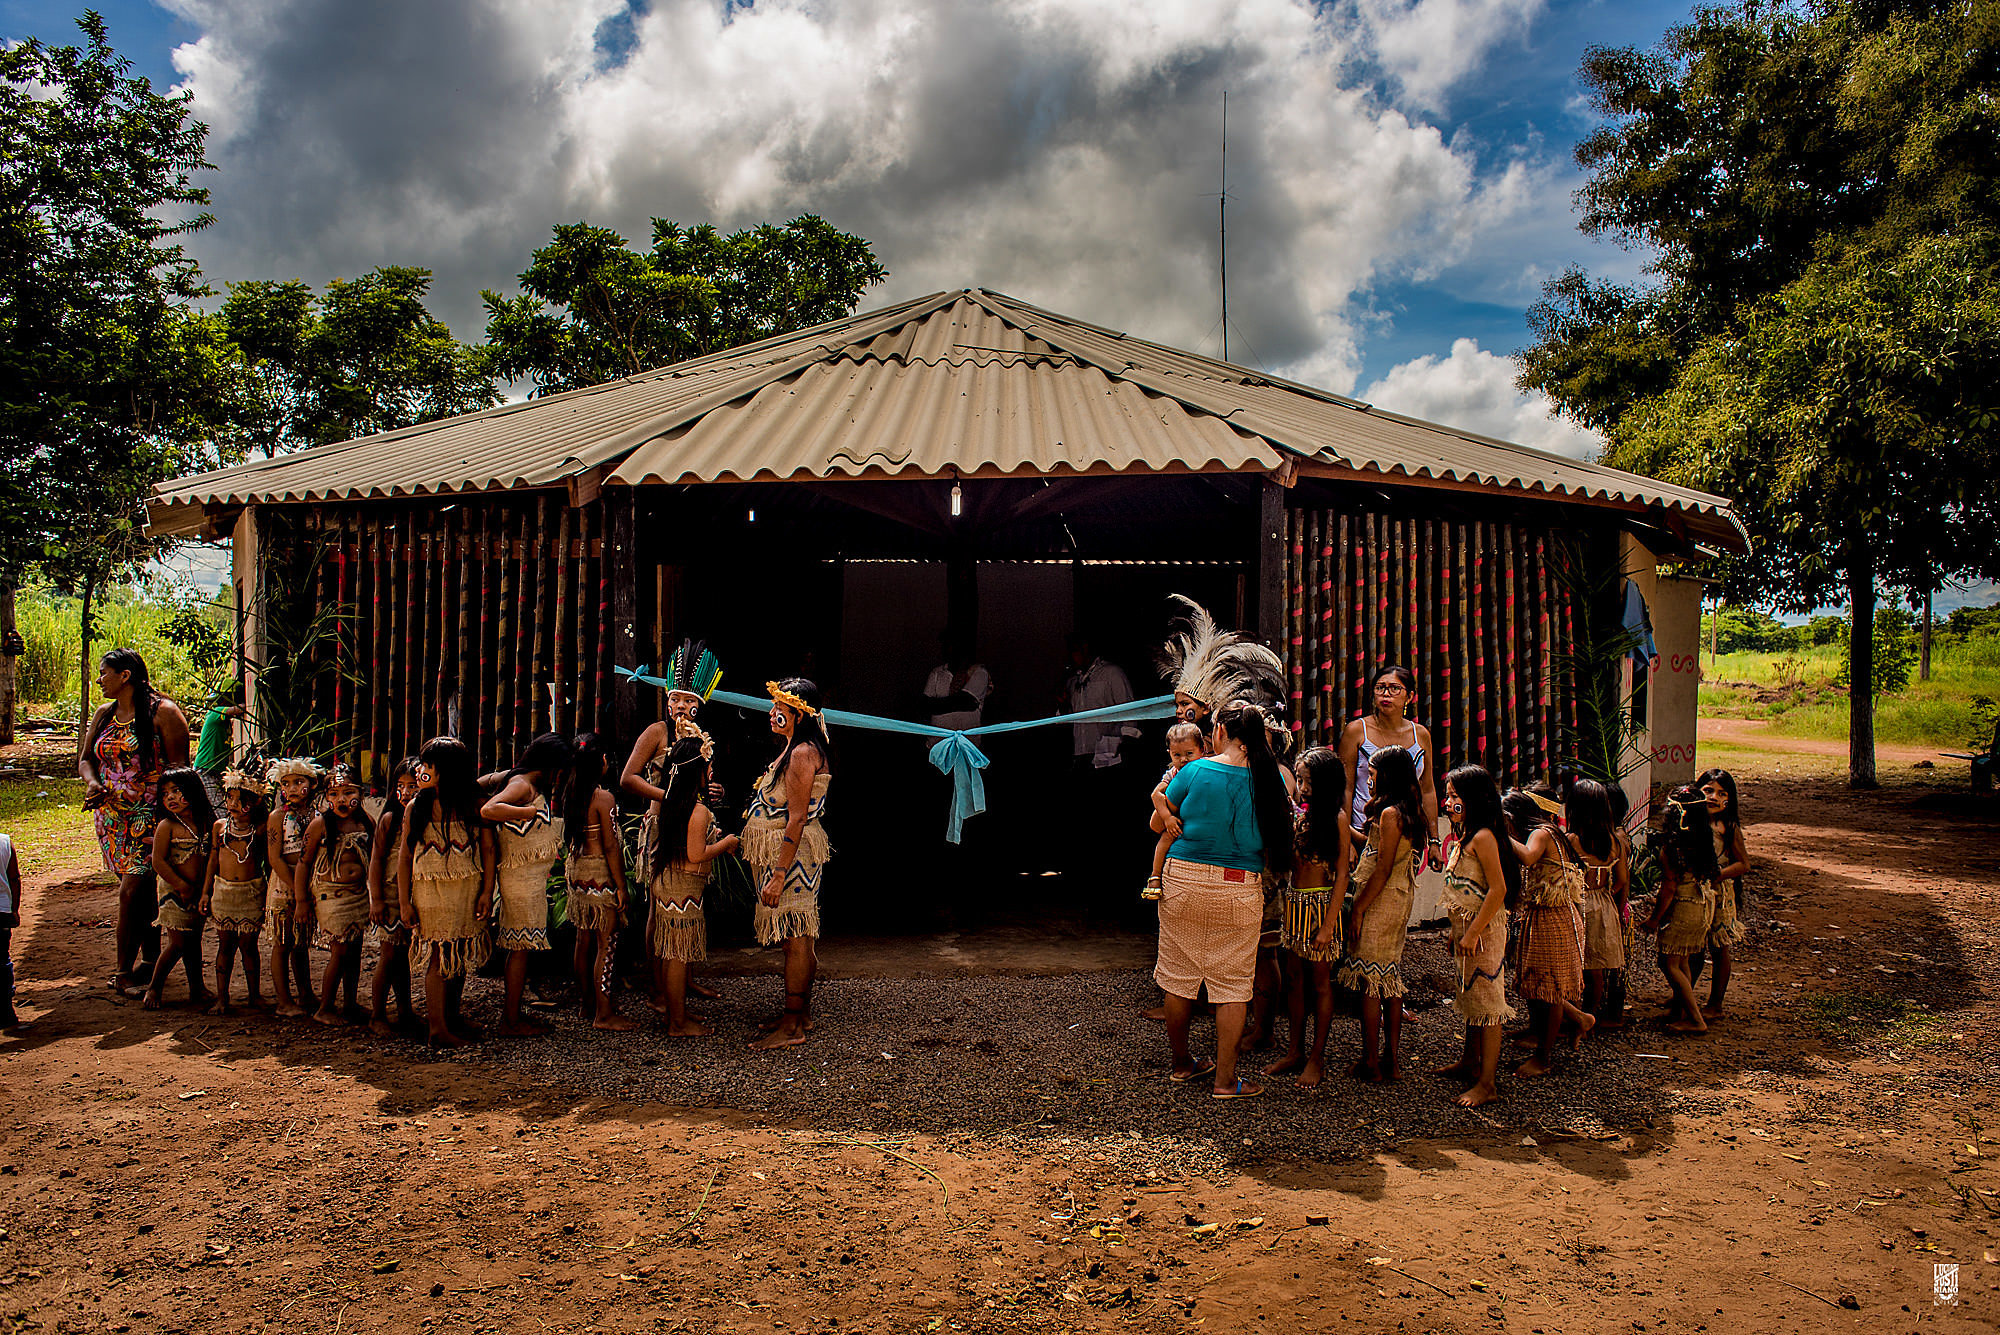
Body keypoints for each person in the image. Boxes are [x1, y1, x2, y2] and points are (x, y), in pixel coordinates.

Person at [1152, 699, 1293, 1100]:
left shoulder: (1193, 770)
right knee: (1232, 986)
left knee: (1179, 978)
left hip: (1182, 880)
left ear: (1219, 732)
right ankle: (1226, 1081)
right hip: (1239, 885)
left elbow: (1159, 821)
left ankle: (1182, 1065)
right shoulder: (1271, 779)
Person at [80, 647, 190, 996]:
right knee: (140, 895)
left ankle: (123, 970)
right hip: (111, 820)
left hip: (151, 820)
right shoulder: (104, 714)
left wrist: (171, 817)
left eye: (104, 673)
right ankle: (150, 961)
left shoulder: (164, 713)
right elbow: (85, 760)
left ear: (124, 675)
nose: (99, 680)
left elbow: (180, 770)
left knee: (130, 893)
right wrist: (94, 784)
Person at [621, 640, 725, 1000]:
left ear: (700, 705)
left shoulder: (700, 738)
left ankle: (683, 978)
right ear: (667, 700)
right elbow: (628, 778)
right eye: (676, 699)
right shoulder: (657, 732)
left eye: (689, 701)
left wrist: (714, 792)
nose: (681, 706)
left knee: (689, 906)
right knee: (658, 907)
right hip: (662, 829)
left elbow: (702, 781)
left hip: (693, 829)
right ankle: (660, 985)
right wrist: (669, 796)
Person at [744, 678, 833, 1051]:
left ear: (797, 714)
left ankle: (793, 1023)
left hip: (792, 859)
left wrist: (779, 874)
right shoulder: (795, 748)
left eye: (779, 708)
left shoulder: (800, 755)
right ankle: (799, 1013)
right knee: (797, 939)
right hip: (789, 855)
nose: (771, 713)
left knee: (796, 938)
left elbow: (796, 818)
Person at [1339, 745, 1427, 1083]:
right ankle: (1389, 1058)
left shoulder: (1391, 814)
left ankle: (1372, 1060)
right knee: (1388, 977)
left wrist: (1359, 908)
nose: (1368, 779)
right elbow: (1375, 848)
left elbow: (1383, 867)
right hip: (1393, 898)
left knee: (1372, 982)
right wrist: (1347, 830)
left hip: (1381, 901)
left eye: (1372, 773)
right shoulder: (1402, 812)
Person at [400, 736, 495, 1047]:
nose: (420, 771)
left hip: (467, 888)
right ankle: (437, 1028)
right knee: (440, 955)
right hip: (431, 892)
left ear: (447, 771)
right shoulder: (416, 807)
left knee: (459, 951)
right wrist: (405, 902)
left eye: (428, 766)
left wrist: (486, 892)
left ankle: (450, 1017)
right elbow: (404, 857)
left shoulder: (474, 804)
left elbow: (488, 850)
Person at [1435, 765, 1519, 1108]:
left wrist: (1472, 933)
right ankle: (1469, 1061)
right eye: (1449, 795)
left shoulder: (1483, 837)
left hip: (1484, 934)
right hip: (1468, 933)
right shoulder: (1467, 835)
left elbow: (1497, 889)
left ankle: (1488, 1083)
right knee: (1471, 999)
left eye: (1455, 797)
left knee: (1488, 1005)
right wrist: (1459, 933)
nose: (1449, 802)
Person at [481, 733, 572, 1039]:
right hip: (519, 882)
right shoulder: (522, 786)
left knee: (520, 949)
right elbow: (489, 810)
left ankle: (514, 1013)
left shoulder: (519, 780)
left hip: (528, 881)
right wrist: (527, 812)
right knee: (519, 949)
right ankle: (510, 1019)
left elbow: (485, 785)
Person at [1269, 745, 1350, 1089]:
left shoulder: (1336, 819)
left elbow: (1343, 874)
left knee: (1320, 984)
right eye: (1299, 780)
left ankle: (1316, 1057)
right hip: (1294, 905)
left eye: (1305, 780)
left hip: (1318, 909)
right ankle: (1294, 1050)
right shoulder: (1303, 815)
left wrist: (1329, 924)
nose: (1301, 787)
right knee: (1294, 980)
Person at [649, 734, 739, 1037]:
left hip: (669, 883)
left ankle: (676, 1013)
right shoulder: (696, 809)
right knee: (677, 956)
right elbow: (696, 854)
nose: (711, 773)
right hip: (681, 889)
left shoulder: (672, 801)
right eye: (708, 766)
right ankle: (677, 1023)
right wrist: (725, 842)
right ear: (698, 770)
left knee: (673, 954)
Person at [1505, 790, 1595, 1076]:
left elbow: (1529, 859)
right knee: (1540, 982)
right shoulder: (1550, 831)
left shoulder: (1542, 834)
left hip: (1553, 918)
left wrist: (1497, 831)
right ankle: (1578, 1019)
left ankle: (1543, 1058)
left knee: (1551, 989)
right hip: (1546, 915)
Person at [564, 732, 636, 1032]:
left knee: (583, 940)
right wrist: (621, 886)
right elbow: (610, 846)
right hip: (600, 876)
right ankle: (603, 1014)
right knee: (606, 943)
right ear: (601, 762)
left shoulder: (571, 791)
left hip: (579, 872)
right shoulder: (602, 797)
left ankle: (587, 1003)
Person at [1339, 665, 1441, 868]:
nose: (1386, 694)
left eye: (1394, 688)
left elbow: (1427, 790)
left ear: (1409, 696)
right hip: (1363, 834)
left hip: (1407, 838)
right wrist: (1347, 840)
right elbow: (1346, 788)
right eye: (1380, 688)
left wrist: (1434, 841)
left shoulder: (1420, 735)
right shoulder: (1357, 731)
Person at [298, 763, 372, 1027]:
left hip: (358, 896)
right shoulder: (320, 825)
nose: (341, 799)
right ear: (326, 797)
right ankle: (325, 1006)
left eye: (348, 792)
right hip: (332, 897)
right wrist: (302, 901)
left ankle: (350, 1003)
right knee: (339, 952)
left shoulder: (365, 822)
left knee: (354, 951)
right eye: (334, 794)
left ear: (361, 793)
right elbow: (304, 864)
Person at [1641, 784, 1718, 1035]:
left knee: (1669, 962)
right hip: (1703, 905)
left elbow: (1669, 889)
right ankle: (1684, 1009)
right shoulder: (1703, 839)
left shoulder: (1673, 848)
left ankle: (1696, 1019)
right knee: (1681, 959)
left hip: (1685, 907)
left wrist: (1654, 919)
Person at [144, 769, 214, 1010]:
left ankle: (197, 988)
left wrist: (203, 889)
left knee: (194, 940)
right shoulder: (167, 825)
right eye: (165, 794)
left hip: (198, 891)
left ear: (193, 791)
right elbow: (158, 861)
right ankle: (155, 986)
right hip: (173, 891)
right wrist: (181, 885)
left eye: (176, 791)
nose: (170, 798)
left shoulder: (205, 822)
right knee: (178, 942)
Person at [201, 768, 268, 1014]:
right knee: (225, 946)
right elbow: (212, 859)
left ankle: (254, 995)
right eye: (230, 798)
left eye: (241, 801)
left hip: (251, 892)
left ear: (255, 803)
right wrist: (206, 892)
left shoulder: (261, 830)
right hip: (224, 892)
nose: (233, 804)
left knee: (249, 946)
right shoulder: (219, 827)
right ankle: (222, 997)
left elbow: (268, 863)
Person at [263, 757, 323, 1018]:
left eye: (299, 782)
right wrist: (298, 889)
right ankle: (283, 999)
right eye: (286, 784)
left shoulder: (319, 815)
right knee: (282, 942)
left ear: (313, 784)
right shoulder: (277, 817)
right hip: (284, 887)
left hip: (309, 886)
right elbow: (275, 858)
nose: (292, 789)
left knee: (300, 942)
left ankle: (306, 993)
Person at [1567, 779, 1630, 1027]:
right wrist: (1607, 899)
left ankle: (1574, 1017)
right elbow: (1622, 880)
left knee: (1575, 965)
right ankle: (1593, 1014)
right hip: (1604, 904)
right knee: (1597, 968)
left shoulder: (1571, 839)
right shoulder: (1615, 842)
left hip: (1578, 904)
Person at [366, 759, 420, 1037]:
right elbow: (376, 860)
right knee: (389, 955)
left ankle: (405, 1011)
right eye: (401, 786)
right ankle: (377, 1014)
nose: (407, 792)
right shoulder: (390, 819)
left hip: (411, 894)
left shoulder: (424, 817)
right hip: (389, 894)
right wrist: (375, 899)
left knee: (401, 956)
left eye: (413, 786)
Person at [1697, 767, 1749, 1020]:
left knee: (1718, 948)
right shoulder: (1692, 823)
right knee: (1692, 946)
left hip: (1719, 894)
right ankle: (1683, 994)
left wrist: (1718, 875)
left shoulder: (1727, 826)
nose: (1714, 797)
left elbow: (1743, 864)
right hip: (1695, 892)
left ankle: (1715, 1003)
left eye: (1721, 793)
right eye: (1708, 790)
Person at [1143, 721, 1212, 899]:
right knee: (1165, 839)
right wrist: (1167, 819)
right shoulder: (1173, 773)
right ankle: (1155, 876)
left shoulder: (1208, 767)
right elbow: (1156, 795)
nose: (1183, 760)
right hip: (1176, 820)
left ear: (1202, 749)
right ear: (1170, 754)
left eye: (1189, 753)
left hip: (1198, 819)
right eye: (1177, 755)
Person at [191, 685, 247, 812]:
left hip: (216, 771)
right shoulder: (216, 713)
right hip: (206, 770)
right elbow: (241, 709)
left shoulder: (225, 721)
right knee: (221, 811)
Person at [923, 631, 992, 731]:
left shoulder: (979, 672)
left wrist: (936, 704)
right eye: (945, 645)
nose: (946, 649)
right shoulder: (937, 672)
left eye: (951, 644)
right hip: (938, 742)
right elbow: (925, 706)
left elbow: (967, 702)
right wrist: (957, 701)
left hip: (966, 742)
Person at [0, 830, 18, 1030]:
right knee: (2, 963)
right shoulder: (4, 842)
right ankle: (6, 1012)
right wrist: (14, 909)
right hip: (2, 911)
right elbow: (14, 878)